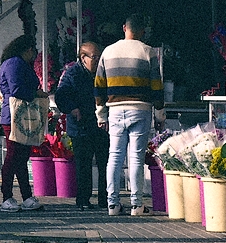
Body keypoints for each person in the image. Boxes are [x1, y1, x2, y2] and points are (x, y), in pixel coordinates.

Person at [95, 16, 164, 216]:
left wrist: (101, 115)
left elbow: (99, 86)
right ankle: (137, 205)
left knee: (114, 157)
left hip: (115, 109)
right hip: (140, 108)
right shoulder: (148, 51)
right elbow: (156, 86)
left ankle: (112, 204)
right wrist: (159, 114)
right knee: (136, 157)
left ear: (124, 28)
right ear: (142, 31)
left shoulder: (108, 52)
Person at [54, 42, 109, 211]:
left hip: (101, 125)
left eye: (100, 57)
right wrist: (72, 108)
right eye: (94, 57)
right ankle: (83, 199)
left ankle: (104, 199)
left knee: (104, 163)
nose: (98, 61)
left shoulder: (102, 73)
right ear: (83, 58)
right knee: (83, 165)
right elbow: (61, 96)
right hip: (81, 127)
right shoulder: (72, 73)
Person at [0, 34, 47, 212]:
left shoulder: (19, 63)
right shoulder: (14, 63)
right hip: (13, 117)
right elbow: (16, 89)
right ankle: (7, 196)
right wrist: (36, 94)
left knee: (21, 157)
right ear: (27, 50)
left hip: (22, 116)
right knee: (12, 156)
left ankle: (26, 196)